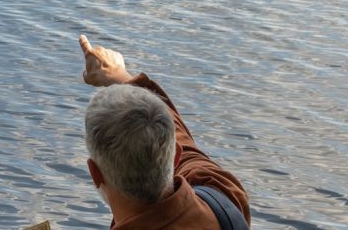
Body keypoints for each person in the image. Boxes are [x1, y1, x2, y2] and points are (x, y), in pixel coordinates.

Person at [79, 34, 250, 229]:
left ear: (95, 173)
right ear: (175, 155)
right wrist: (121, 76)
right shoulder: (223, 200)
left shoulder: (223, 193)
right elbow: (188, 151)